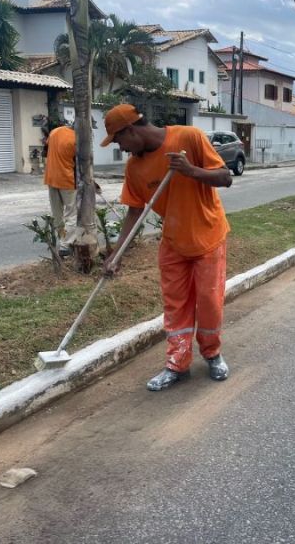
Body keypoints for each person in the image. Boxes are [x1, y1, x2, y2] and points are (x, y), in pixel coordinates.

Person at [100, 104, 233, 391]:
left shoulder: (189, 138)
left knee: (209, 304)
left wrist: (190, 171)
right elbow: (135, 212)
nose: (120, 147)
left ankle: (212, 354)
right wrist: (116, 253)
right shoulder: (134, 167)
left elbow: (225, 177)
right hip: (173, 242)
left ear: (131, 130)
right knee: (175, 307)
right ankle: (177, 364)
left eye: (118, 140)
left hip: (208, 237)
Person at [43, 123, 77, 256]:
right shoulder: (77, 139)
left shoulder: (54, 132)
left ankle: (62, 239)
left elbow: (45, 151)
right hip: (67, 179)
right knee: (72, 213)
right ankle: (65, 246)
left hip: (51, 177)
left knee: (57, 214)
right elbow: (80, 163)